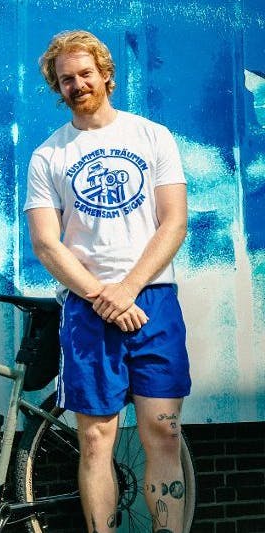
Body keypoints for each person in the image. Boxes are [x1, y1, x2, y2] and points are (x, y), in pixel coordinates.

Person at [24, 30, 191, 533]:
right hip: (87, 309)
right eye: (65, 79)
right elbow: (47, 244)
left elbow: (174, 222)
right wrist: (103, 296)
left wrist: (128, 290)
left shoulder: (152, 137)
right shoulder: (48, 156)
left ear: (106, 75)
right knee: (96, 440)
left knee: (161, 434)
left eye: (85, 74)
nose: (77, 85)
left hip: (153, 302)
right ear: (57, 88)